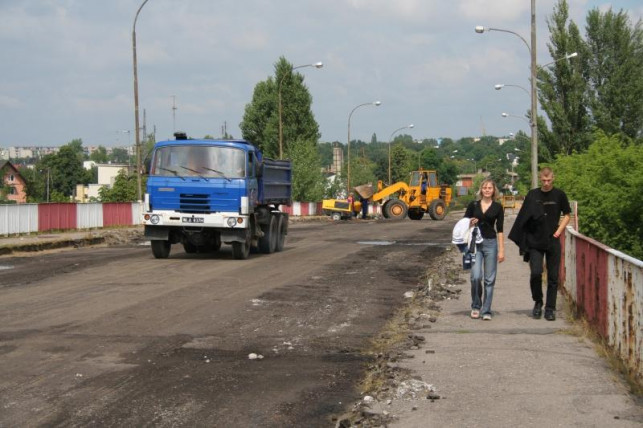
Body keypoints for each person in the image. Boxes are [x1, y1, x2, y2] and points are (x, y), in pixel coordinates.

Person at [509, 167, 570, 321]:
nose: (546, 183)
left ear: (553, 178)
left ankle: (550, 308)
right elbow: (523, 217)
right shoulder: (533, 195)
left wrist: (559, 231)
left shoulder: (559, 194)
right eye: (544, 180)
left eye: (549, 180)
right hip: (535, 241)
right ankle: (538, 302)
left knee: (553, 276)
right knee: (536, 273)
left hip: (553, 239)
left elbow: (567, 215)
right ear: (540, 178)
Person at [464, 178, 505, 320]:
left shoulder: (498, 207)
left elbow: (500, 230)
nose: (487, 190)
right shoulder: (473, 205)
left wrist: (501, 250)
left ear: (494, 191)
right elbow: (464, 224)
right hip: (475, 244)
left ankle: (486, 309)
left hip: (491, 244)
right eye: (485, 188)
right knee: (475, 276)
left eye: (490, 188)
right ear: (481, 190)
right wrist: (470, 222)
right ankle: (476, 305)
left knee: (489, 279)